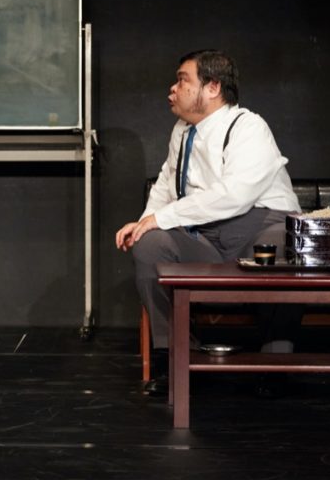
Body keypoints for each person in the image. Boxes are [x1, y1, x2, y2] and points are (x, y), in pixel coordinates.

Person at [116, 49, 302, 396]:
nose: (173, 89)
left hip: (259, 226)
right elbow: (166, 183)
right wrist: (145, 223)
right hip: (205, 236)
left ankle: (276, 364)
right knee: (150, 245)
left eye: (182, 80)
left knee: (281, 246)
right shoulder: (182, 131)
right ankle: (177, 357)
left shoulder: (248, 126)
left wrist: (164, 217)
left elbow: (235, 195)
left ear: (213, 87)